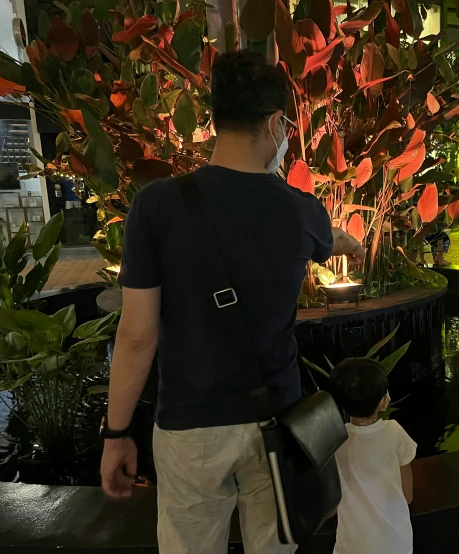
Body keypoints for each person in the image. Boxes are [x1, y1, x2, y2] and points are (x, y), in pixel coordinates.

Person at [99, 52, 365, 553]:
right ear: (274, 123)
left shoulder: (155, 207)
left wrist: (116, 432)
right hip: (277, 424)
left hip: (191, 427)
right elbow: (329, 239)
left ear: (216, 120)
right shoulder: (301, 211)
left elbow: (137, 336)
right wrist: (344, 242)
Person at [329, 358, 416, 554]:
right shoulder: (395, 433)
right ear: (384, 401)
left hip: (353, 545)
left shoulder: (334, 442)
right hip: (396, 543)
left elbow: (330, 508)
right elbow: (407, 495)